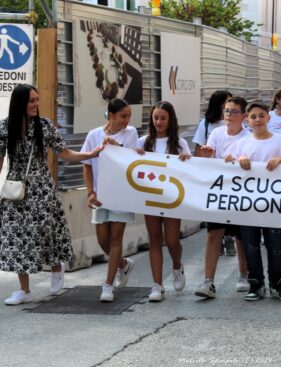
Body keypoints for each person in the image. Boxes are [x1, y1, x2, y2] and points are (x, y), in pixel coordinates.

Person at [0, 84, 103, 305]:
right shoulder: (5, 128)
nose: (37, 104)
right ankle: (24, 290)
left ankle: (57, 268)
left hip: (42, 189)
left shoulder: (45, 126)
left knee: (47, 233)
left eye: (38, 99)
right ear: (20, 103)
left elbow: (65, 153)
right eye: (32, 101)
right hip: (15, 190)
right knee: (17, 238)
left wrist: (90, 154)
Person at [234, 101, 281, 301]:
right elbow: (230, 166)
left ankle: (278, 284)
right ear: (247, 120)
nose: (257, 120)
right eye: (253, 117)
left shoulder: (279, 141)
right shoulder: (242, 143)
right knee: (250, 244)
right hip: (248, 204)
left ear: (268, 117)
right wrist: (239, 159)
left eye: (261, 115)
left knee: (274, 244)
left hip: (274, 204)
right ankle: (256, 283)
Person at [82, 98, 138, 302]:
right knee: (102, 239)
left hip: (122, 193)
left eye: (129, 116)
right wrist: (90, 192)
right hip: (101, 194)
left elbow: (133, 160)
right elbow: (86, 164)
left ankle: (107, 285)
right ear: (111, 115)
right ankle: (123, 264)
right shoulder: (93, 135)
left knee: (116, 239)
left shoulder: (131, 133)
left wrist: (116, 145)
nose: (127, 120)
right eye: (123, 116)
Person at [194, 97, 250, 298]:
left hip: (239, 193)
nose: (229, 115)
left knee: (240, 237)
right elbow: (208, 159)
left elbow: (251, 164)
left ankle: (244, 274)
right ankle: (208, 281)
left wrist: (238, 161)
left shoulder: (249, 137)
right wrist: (208, 154)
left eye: (234, 112)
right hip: (219, 192)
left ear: (243, 116)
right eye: (226, 111)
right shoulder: (216, 133)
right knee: (213, 234)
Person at [137, 101, 190, 302]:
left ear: (171, 120)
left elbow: (190, 169)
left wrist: (186, 158)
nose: (159, 121)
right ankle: (157, 285)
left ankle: (177, 265)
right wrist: (136, 154)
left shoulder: (179, 143)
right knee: (154, 239)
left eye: (163, 118)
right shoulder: (143, 142)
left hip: (172, 198)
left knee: (172, 240)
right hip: (150, 197)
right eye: (156, 117)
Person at [192, 90, 231, 157]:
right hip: (210, 164)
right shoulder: (205, 123)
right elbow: (199, 148)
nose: (232, 103)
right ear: (219, 103)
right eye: (229, 101)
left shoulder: (234, 122)